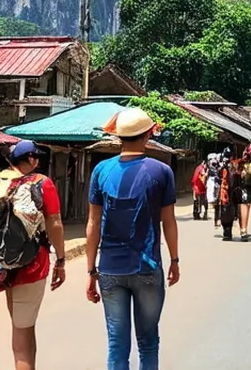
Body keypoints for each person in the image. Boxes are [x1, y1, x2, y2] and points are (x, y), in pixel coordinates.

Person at [87, 107, 180, 370]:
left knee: (117, 345)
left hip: (109, 269)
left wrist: (90, 270)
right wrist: (174, 260)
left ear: (118, 137)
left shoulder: (100, 171)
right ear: (148, 135)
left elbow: (92, 223)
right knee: (148, 341)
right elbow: (169, 222)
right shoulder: (162, 171)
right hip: (147, 267)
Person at [0, 140, 66, 370]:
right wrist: (61, 260)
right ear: (32, 159)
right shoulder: (41, 183)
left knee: (22, 326)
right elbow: (54, 221)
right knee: (22, 337)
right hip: (31, 264)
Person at [219, 150, 241, 242]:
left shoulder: (221, 166)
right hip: (233, 192)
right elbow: (238, 179)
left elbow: (218, 178)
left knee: (224, 211)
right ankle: (228, 231)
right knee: (231, 211)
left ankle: (226, 232)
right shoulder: (235, 166)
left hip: (224, 193)